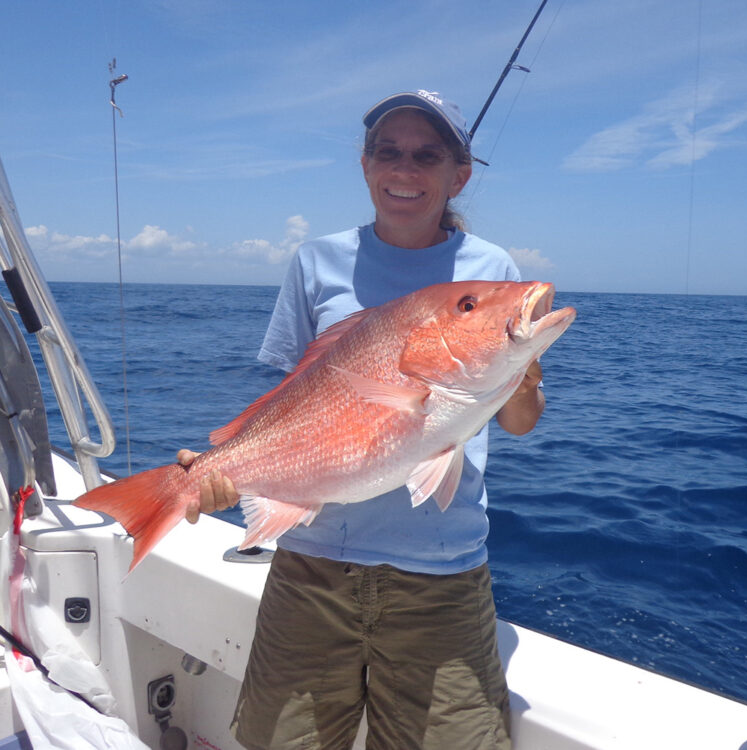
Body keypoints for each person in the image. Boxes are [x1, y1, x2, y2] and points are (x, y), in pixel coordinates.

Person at [180, 89, 545, 750]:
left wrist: (519, 368)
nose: (405, 169)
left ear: (457, 175)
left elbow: (519, 423)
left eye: (427, 155)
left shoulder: (493, 273)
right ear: (366, 164)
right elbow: (295, 400)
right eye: (389, 152)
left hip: (441, 579)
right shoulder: (315, 263)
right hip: (311, 570)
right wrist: (230, 464)